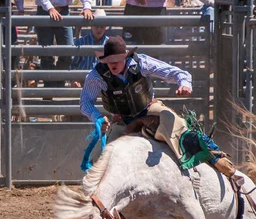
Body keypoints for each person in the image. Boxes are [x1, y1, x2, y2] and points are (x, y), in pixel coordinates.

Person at [80, 36, 238, 178]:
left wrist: (184, 84)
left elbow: (176, 73)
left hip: (148, 109)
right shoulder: (96, 76)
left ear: (125, 57)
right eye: (109, 60)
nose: (113, 64)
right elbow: (85, 102)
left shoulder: (141, 62)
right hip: (122, 119)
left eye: (117, 59)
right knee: (104, 159)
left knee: (178, 124)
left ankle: (216, 157)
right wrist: (98, 117)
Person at [34, 0, 94, 89]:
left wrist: (87, 7)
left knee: (68, 51)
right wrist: (50, 8)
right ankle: (50, 88)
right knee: (46, 54)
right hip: (45, 11)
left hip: (62, 11)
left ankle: (57, 84)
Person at [70, 9, 110, 80]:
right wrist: (74, 79)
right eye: (96, 26)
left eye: (102, 26)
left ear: (105, 27)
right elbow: (72, 64)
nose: (99, 29)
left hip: (103, 82)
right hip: (83, 80)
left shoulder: (110, 43)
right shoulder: (81, 42)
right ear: (91, 26)